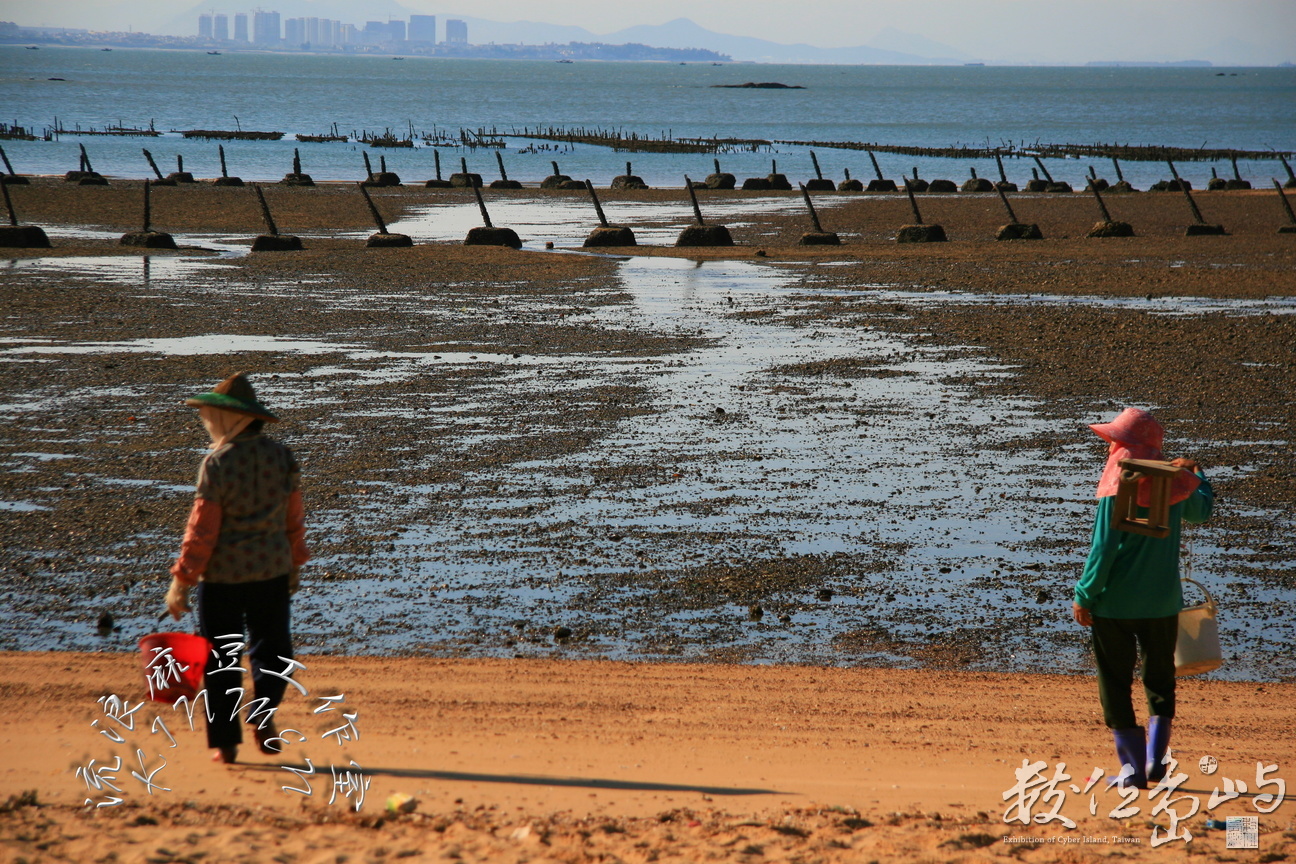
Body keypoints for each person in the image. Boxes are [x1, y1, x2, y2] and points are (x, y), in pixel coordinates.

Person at [165, 372, 309, 764]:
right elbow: (293, 519)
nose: (208, 423)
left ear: (230, 420)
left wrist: (182, 580)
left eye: (211, 417)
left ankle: (225, 744)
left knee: (220, 660)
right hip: (272, 573)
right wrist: (295, 562)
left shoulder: (217, 463)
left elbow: (202, 529)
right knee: (275, 652)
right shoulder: (283, 456)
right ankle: (263, 714)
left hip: (222, 579)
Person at [1072, 407, 1212, 789]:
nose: (1110, 447)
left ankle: (1133, 771)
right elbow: (1202, 512)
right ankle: (1155, 759)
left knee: (1115, 683)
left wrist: (1084, 595)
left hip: (1114, 606)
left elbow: (1103, 549)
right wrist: (1195, 473)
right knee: (1159, 679)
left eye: (1115, 441)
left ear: (1125, 447)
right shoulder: (1176, 482)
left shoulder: (1116, 484)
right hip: (1162, 604)